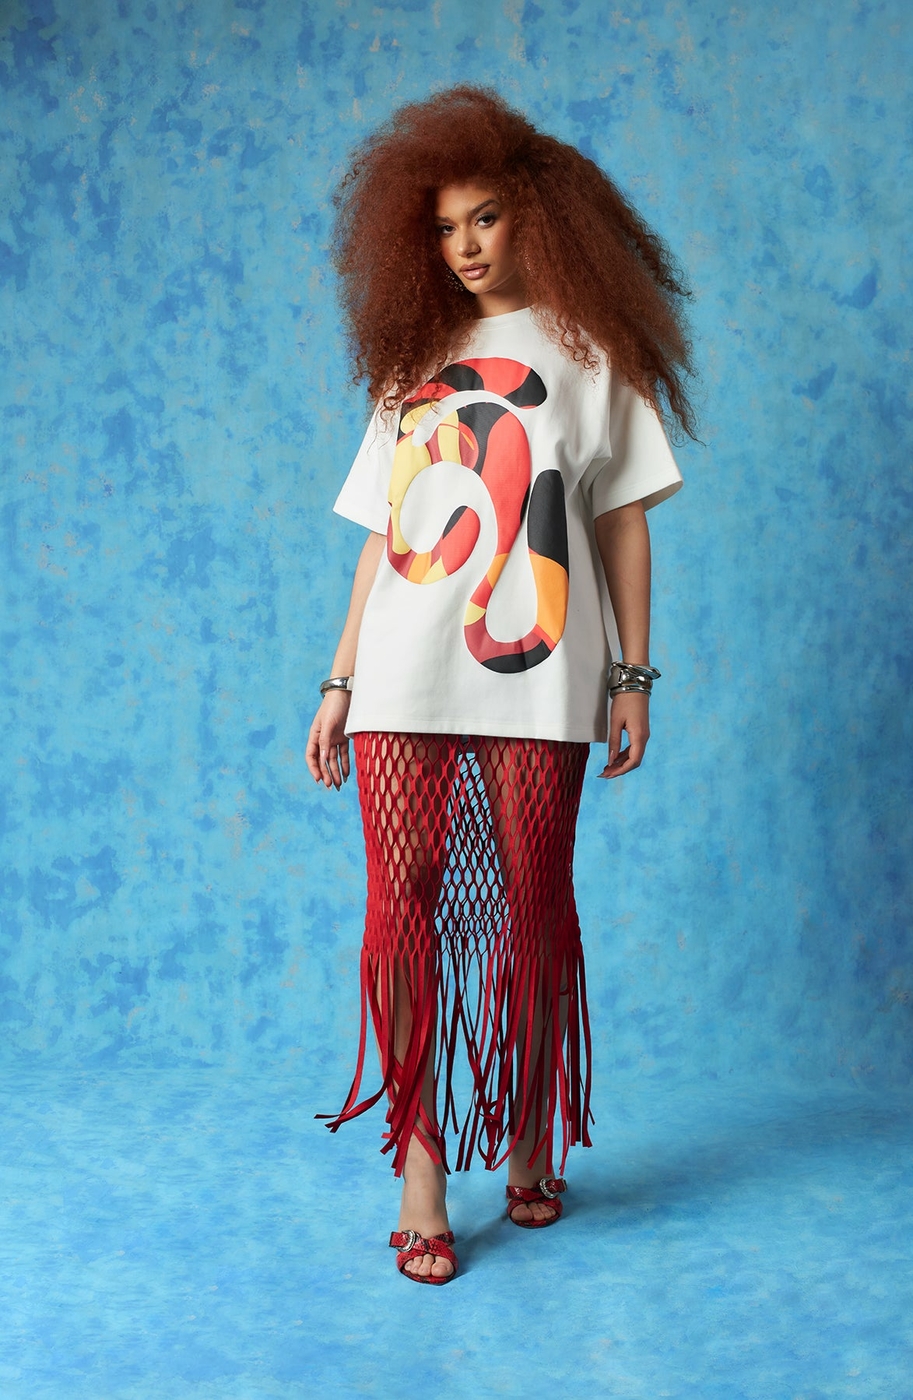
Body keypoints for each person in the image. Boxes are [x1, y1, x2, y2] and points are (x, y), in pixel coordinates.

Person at [305, 86, 694, 1285]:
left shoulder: (594, 351)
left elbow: (621, 522)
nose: (464, 245)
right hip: (402, 672)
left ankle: (530, 1132)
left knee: (533, 905)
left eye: (484, 217)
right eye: (442, 227)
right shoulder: (409, 360)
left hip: (543, 666)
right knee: (400, 909)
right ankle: (420, 1168)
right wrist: (337, 678)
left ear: (538, 213)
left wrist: (632, 674)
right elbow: (383, 536)